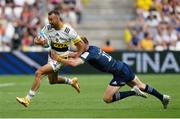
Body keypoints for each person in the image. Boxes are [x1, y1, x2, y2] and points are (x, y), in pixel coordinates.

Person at [51, 37, 170, 109]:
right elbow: (75, 54)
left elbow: (74, 63)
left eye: (79, 45)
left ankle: (133, 93)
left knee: (107, 98)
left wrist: (59, 59)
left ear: (84, 44)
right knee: (142, 86)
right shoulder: (93, 48)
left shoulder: (88, 53)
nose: (77, 47)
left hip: (119, 73)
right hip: (123, 66)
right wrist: (62, 52)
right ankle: (162, 97)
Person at [16, 10, 86, 107]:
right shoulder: (48, 28)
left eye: (51, 20)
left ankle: (27, 99)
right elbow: (39, 40)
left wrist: (76, 56)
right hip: (51, 56)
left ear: (58, 18)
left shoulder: (68, 31)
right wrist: (39, 42)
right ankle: (71, 81)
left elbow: (81, 45)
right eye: (49, 19)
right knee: (52, 81)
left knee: (39, 72)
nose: (49, 22)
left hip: (60, 59)